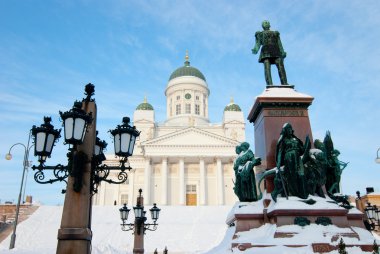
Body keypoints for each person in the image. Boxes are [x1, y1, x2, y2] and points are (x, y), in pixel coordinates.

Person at [275, 123, 307, 199]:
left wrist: (305, 146)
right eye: (288, 129)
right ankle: (293, 192)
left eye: (290, 129)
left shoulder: (296, 139)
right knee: (291, 175)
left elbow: (302, 150)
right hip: (289, 158)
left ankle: (303, 193)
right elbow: (280, 152)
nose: (289, 130)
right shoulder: (283, 140)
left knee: (301, 174)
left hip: (297, 158)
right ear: (285, 131)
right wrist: (278, 163)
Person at [252, 20, 288, 86]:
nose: (266, 24)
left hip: (276, 50)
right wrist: (255, 50)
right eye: (264, 23)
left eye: (267, 23)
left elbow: (279, 43)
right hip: (265, 52)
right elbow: (258, 43)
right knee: (267, 68)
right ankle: (269, 84)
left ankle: (284, 83)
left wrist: (282, 52)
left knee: (281, 67)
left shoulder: (275, 33)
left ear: (269, 25)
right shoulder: (260, 34)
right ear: (262, 26)